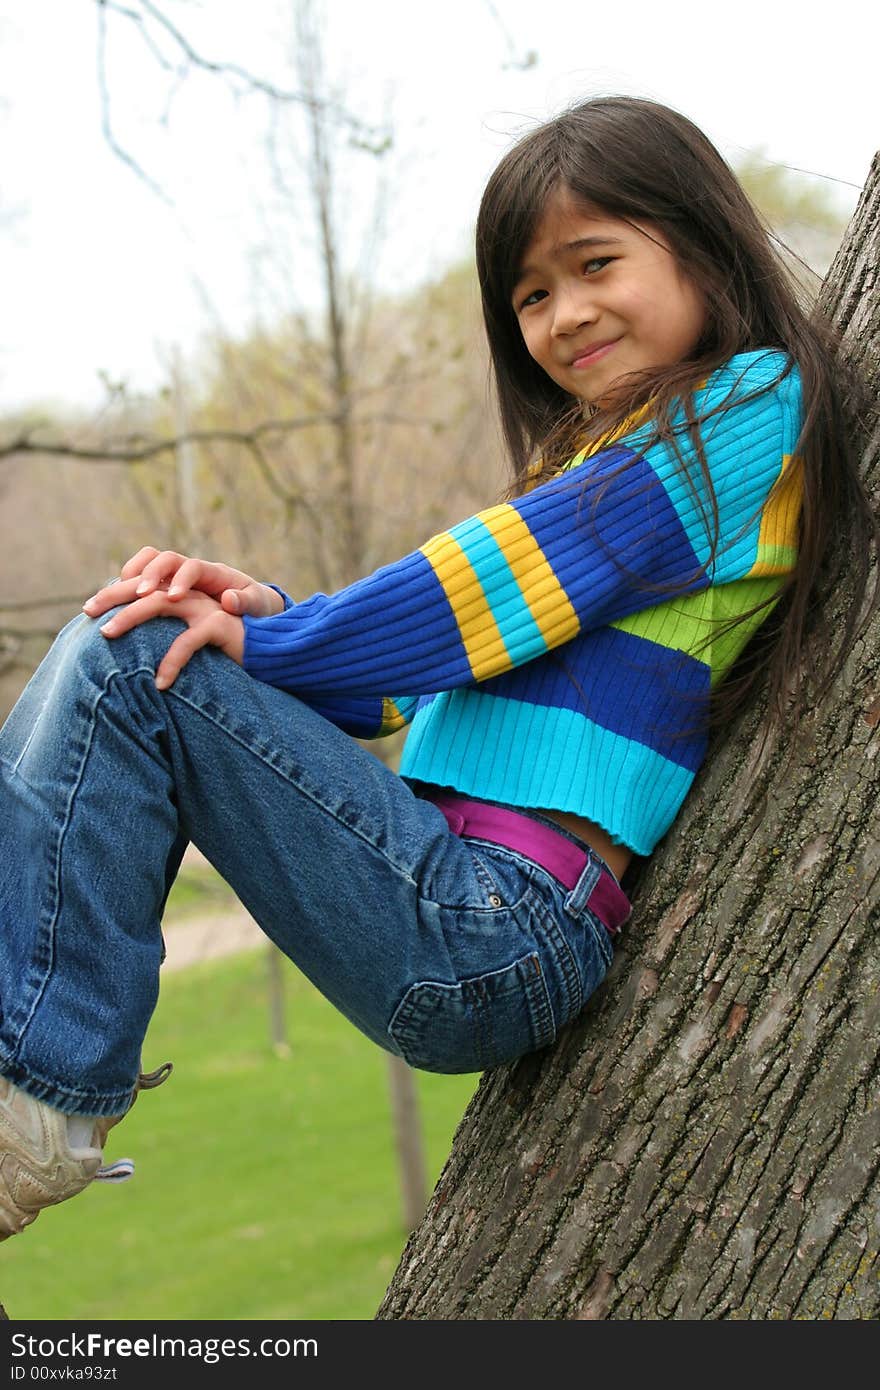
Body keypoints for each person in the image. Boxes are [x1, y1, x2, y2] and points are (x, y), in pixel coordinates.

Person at [1, 95, 875, 1244]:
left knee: (129, 655)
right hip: (446, 897)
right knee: (133, 640)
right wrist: (265, 618)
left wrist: (275, 643)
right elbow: (436, 658)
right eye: (530, 294)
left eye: (593, 262)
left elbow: (493, 581)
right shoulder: (613, 449)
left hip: (497, 923)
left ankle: (36, 1093)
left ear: (700, 244)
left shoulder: (754, 401)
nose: (564, 314)